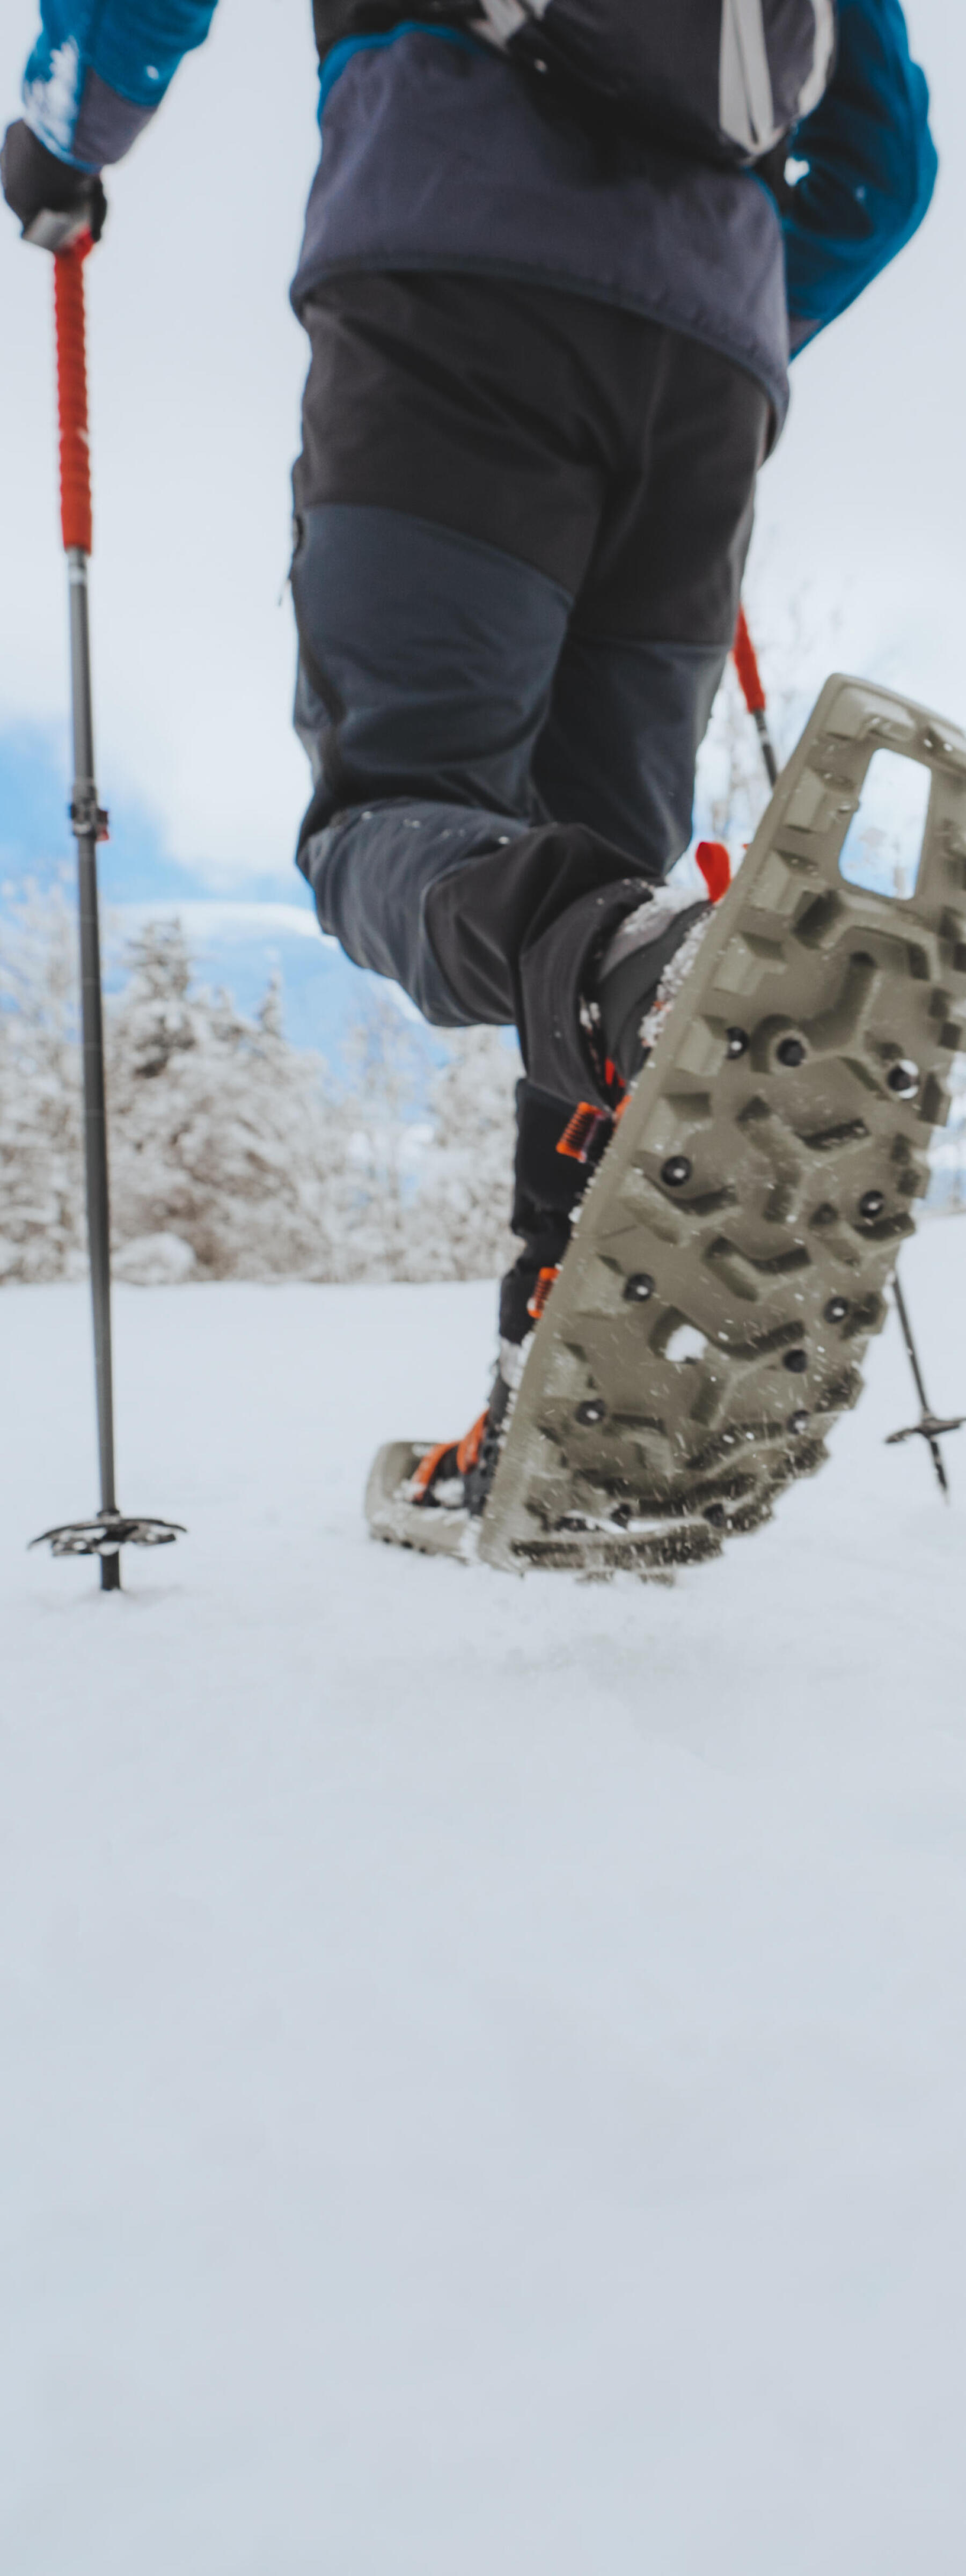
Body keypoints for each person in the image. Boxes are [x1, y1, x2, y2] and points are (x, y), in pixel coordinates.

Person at [3, 1, 937, 1511]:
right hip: (707, 369)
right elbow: (881, 161)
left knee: (403, 816)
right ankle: (559, 1388)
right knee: (602, 894)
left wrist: (64, 134)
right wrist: (734, 304)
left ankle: (648, 974)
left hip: (451, 276)